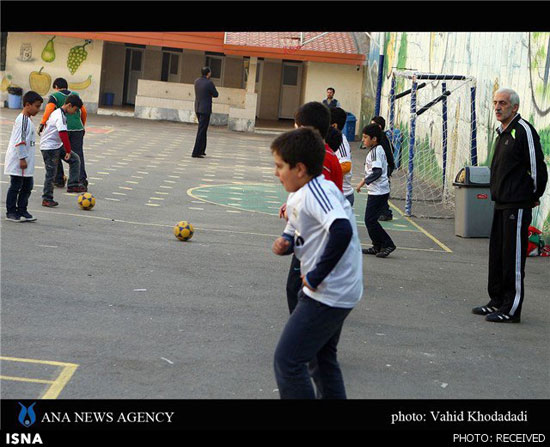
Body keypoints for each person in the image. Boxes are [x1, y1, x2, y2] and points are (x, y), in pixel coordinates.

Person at [271, 127, 363, 399]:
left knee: (287, 361)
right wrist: (286, 242)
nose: (276, 173)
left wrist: (315, 277)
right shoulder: (300, 192)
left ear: (299, 169)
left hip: (329, 292)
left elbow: (342, 230)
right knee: (321, 360)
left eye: (279, 166)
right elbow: (299, 227)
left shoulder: (316, 191)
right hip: (337, 289)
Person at [472, 88, 547, 324]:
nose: (497, 107)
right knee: (497, 255)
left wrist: (532, 195)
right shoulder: (502, 132)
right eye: (495, 102)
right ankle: (496, 300)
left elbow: (538, 167)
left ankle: (511, 309)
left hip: (517, 204)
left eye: (502, 103)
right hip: (501, 204)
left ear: (514, 107)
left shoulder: (523, 130)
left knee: (512, 258)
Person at [38, 78, 88, 190]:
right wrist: (82, 125)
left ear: (56, 87)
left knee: (57, 152)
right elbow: (83, 112)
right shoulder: (75, 95)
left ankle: (59, 179)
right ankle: (81, 181)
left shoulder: (55, 96)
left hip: (62, 129)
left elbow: (49, 109)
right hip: (77, 128)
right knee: (78, 155)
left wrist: (42, 123)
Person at [356, 123, 396, 258]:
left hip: (379, 191)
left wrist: (363, 181)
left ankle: (388, 243)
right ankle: (377, 245)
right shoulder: (376, 150)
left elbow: (377, 172)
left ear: (374, 139)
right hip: (377, 190)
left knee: (370, 220)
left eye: (366, 137)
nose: (363, 140)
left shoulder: (375, 152)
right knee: (370, 220)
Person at [4, 91, 43, 222]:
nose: (38, 109)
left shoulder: (28, 120)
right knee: (16, 186)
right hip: (19, 161)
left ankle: (22, 210)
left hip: (26, 160)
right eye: (37, 106)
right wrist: (21, 158)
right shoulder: (23, 121)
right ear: (27, 105)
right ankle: (11, 212)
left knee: (27, 186)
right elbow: (19, 141)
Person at [371, 116, 395, 221]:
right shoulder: (381, 138)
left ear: (379, 127)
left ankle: (386, 212)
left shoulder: (383, 140)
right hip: (384, 167)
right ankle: (383, 211)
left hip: (386, 168)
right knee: (380, 190)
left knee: (381, 190)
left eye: (373, 124)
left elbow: (390, 152)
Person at [191, 66, 219, 158]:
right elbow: (216, 94)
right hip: (205, 109)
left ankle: (202, 149)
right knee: (201, 130)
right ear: (208, 73)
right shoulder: (209, 83)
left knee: (203, 129)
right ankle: (196, 152)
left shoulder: (197, 81)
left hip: (198, 108)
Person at [330, 107, 354, 205]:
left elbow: (346, 165)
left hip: (343, 195)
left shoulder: (340, 142)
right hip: (334, 193)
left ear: (334, 125)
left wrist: (327, 173)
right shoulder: (332, 139)